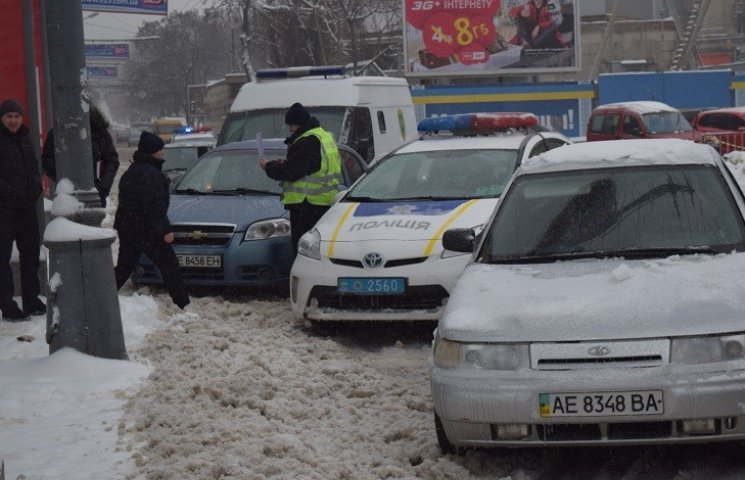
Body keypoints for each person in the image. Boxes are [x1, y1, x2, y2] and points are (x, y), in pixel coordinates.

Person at [114, 131, 190, 309]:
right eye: (159, 149)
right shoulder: (151, 174)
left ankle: (100, 295)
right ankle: (182, 304)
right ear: (151, 151)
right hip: (147, 229)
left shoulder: (132, 171)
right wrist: (165, 230)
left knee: (124, 267)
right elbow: (154, 207)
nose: (163, 152)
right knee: (169, 264)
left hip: (128, 227)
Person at [259, 102, 341, 254]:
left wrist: (268, 166)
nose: (290, 129)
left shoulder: (306, 142)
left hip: (307, 206)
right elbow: (310, 167)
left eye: (291, 125)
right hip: (323, 203)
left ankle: (305, 278)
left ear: (299, 123)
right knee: (318, 251)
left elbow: (291, 172)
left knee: (305, 252)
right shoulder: (324, 136)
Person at [0, 99, 46, 321]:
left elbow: (34, 167)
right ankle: (7, 306)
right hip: (4, 209)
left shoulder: (26, 137)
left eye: (16, 116)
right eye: (9, 116)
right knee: (3, 258)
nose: (13, 120)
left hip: (27, 207)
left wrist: (37, 185)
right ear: (2, 118)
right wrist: (8, 193)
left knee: (30, 255)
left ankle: (32, 300)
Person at [42, 103, 120, 206]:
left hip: (95, 194)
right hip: (67, 196)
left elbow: (112, 161)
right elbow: (47, 161)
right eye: (70, 113)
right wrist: (64, 181)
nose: (74, 116)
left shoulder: (99, 132)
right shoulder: (57, 134)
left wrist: (103, 187)